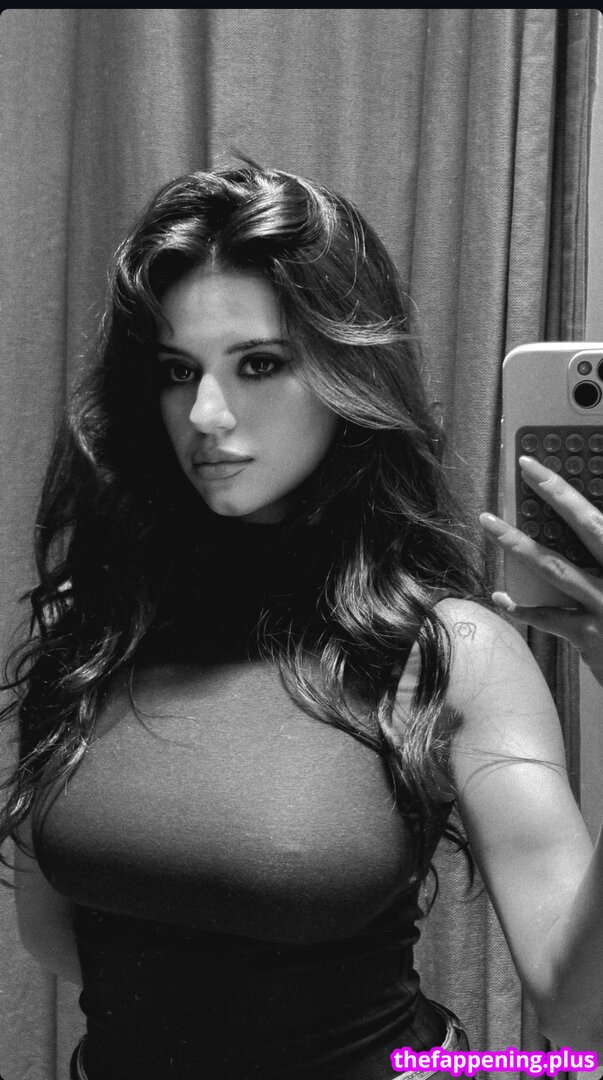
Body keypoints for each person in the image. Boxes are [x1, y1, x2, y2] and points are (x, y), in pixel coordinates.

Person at [2, 162, 603, 1080]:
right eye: (177, 371)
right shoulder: (97, 630)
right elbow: (57, 939)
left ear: (344, 374)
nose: (207, 414)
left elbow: (580, 1011)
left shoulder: (452, 651)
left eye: (259, 364)